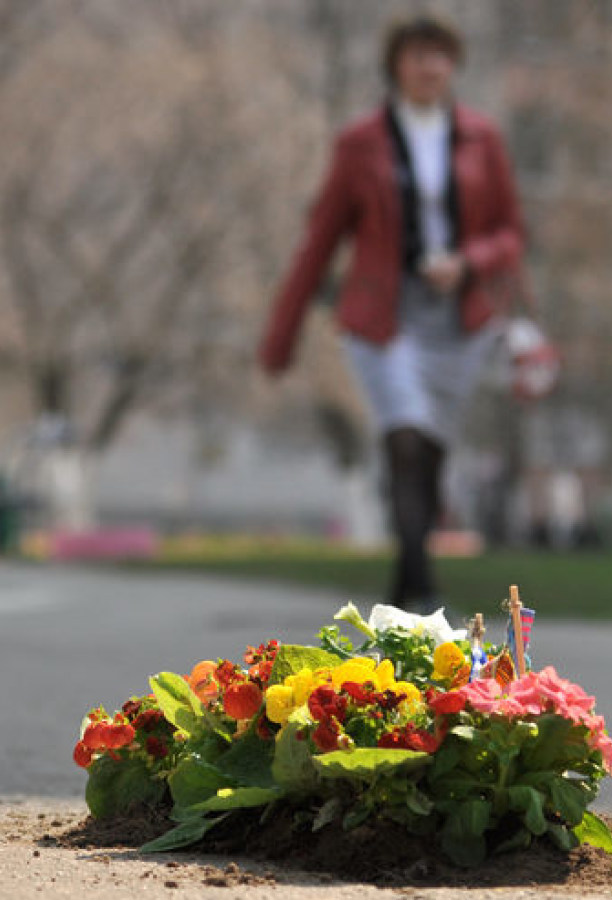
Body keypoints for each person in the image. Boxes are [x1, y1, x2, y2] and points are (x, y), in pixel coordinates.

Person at [258, 15, 525, 612]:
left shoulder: (482, 138)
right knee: (404, 436)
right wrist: (282, 334)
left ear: (453, 66)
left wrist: (469, 259)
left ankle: (406, 585)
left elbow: (511, 232)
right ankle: (423, 584)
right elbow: (320, 240)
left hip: (459, 321)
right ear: (396, 65)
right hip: (386, 318)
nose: (430, 67)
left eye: (440, 56)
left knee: (430, 450)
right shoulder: (361, 144)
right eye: (417, 55)